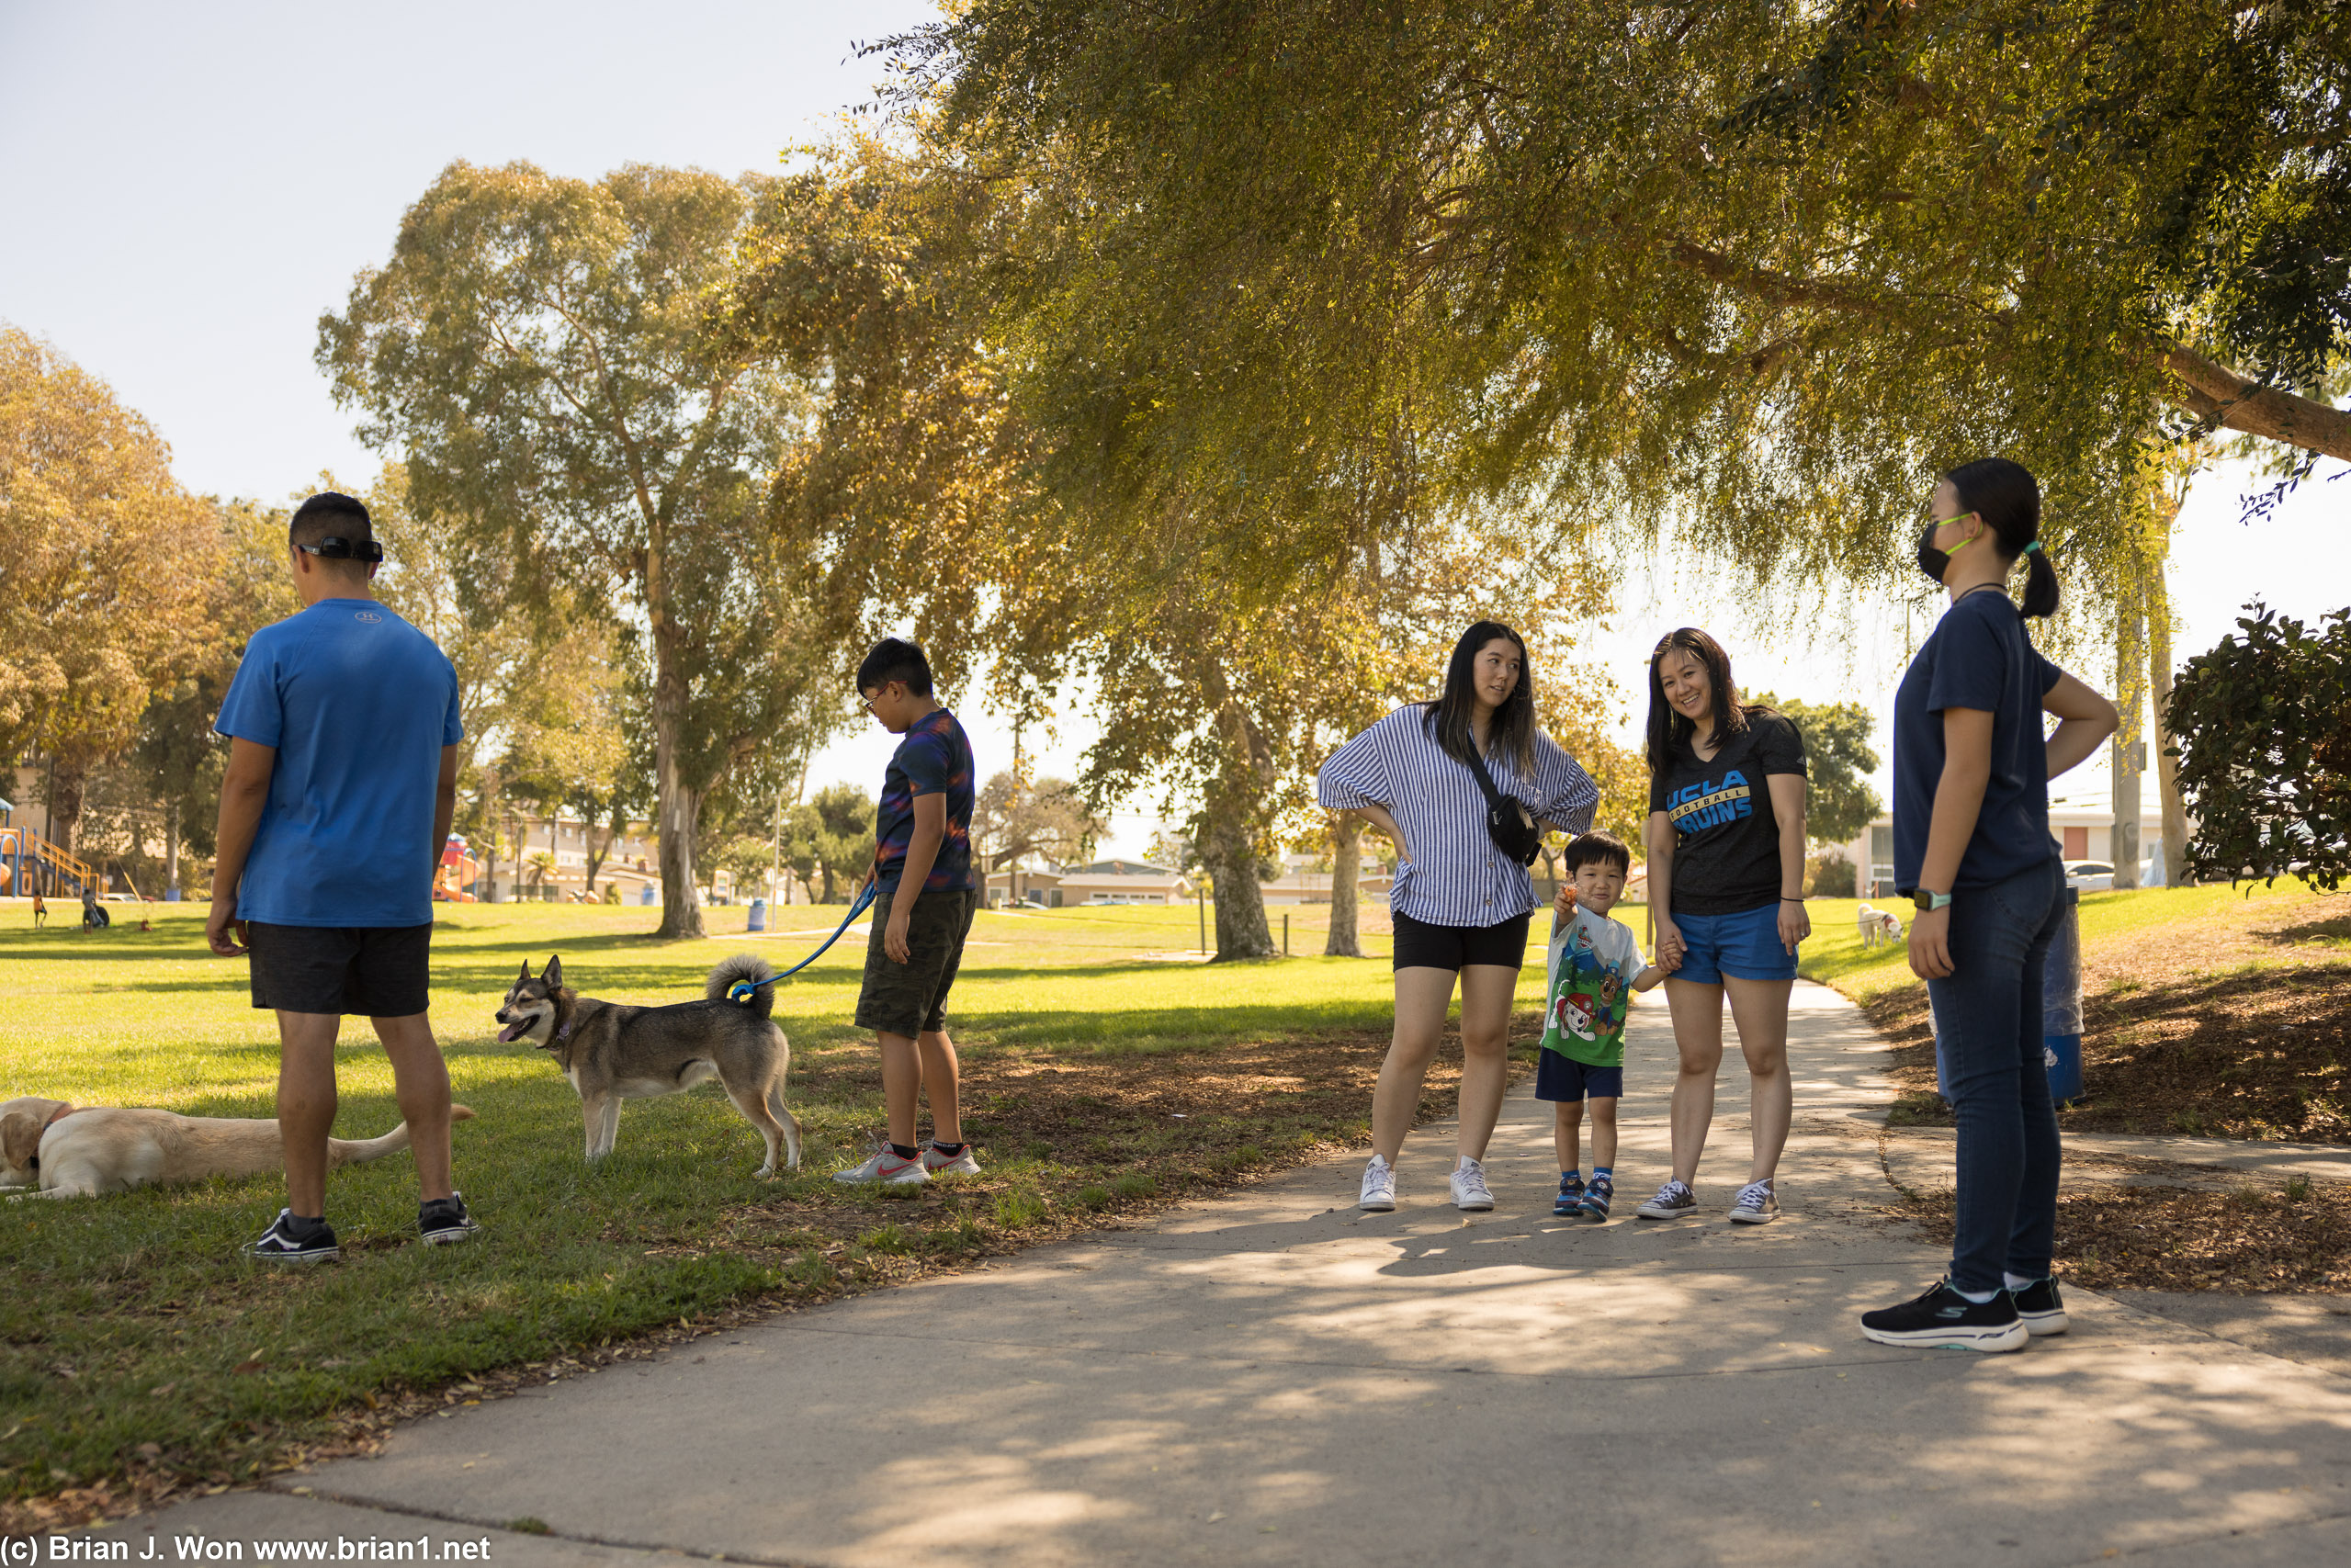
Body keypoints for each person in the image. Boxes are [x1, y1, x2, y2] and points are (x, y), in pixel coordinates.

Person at [1860, 458, 2116, 1352]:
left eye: (1935, 510)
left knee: (1983, 1096)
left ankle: (1976, 1298)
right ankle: (2025, 1280)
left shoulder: (1973, 626)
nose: (1927, 523)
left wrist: (1930, 896)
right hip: (2030, 878)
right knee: (2018, 1091)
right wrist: (2020, 789)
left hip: (1984, 890)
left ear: (1970, 527)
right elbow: (2098, 714)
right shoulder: (2001, 627)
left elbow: (1966, 770)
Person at [207, 491, 472, 1262]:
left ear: (301, 558)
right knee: (409, 1033)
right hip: (394, 885)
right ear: (374, 561)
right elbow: (444, 787)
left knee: (307, 1042)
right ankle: (440, 1207)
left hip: (302, 885)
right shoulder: (429, 657)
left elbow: (246, 784)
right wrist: (416, 873)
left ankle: (306, 1223)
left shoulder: (277, 647)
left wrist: (224, 890)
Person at [1317, 620, 1599, 1213]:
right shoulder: (1411, 728)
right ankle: (1380, 1167)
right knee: (1415, 1039)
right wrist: (1396, 829)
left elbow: (1581, 796)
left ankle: (1469, 1169)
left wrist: (1531, 824)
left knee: (1486, 1037)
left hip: (1500, 904)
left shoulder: (1525, 743)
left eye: (1515, 666)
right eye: (1494, 660)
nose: (1504, 674)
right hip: (1427, 900)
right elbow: (1334, 777)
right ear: (1468, 663)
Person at [1633, 627, 1810, 1225]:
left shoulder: (1767, 733)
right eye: (1667, 681)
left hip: (1757, 913)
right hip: (1688, 919)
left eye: (1688, 673)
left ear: (1713, 668)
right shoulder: (1670, 755)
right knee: (1694, 1058)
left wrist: (1791, 898)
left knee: (1762, 1055)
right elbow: (1658, 850)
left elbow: (1790, 821)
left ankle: (1760, 1183)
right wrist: (1662, 924)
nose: (1680, 688)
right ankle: (1680, 1183)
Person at [831, 637, 983, 1188]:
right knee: (926, 1022)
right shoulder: (949, 730)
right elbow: (926, 826)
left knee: (893, 1025)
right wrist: (883, 864)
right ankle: (949, 1147)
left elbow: (930, 827)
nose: (873, 713)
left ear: (895, 688)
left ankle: (901, 1155)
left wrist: (901, 911)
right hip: (949, 892)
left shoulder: (920, 745)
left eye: (872, 700)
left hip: (922, 900)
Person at [1539, 831, 1669, 1221]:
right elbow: (1563, 916)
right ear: (1573, 880)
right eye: (1591, 874)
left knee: (1604, 1111)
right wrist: (1564, 907)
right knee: (1567, 1115)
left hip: (1606, 1046)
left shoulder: (1625, 936)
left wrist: (1666, 965)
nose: (1601, 883)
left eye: (1612, 876)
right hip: (1561, 1041)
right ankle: (1569, 1182)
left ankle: (1601, 1182)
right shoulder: (1569, 919)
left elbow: (1640, 982)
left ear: (1624, 884)